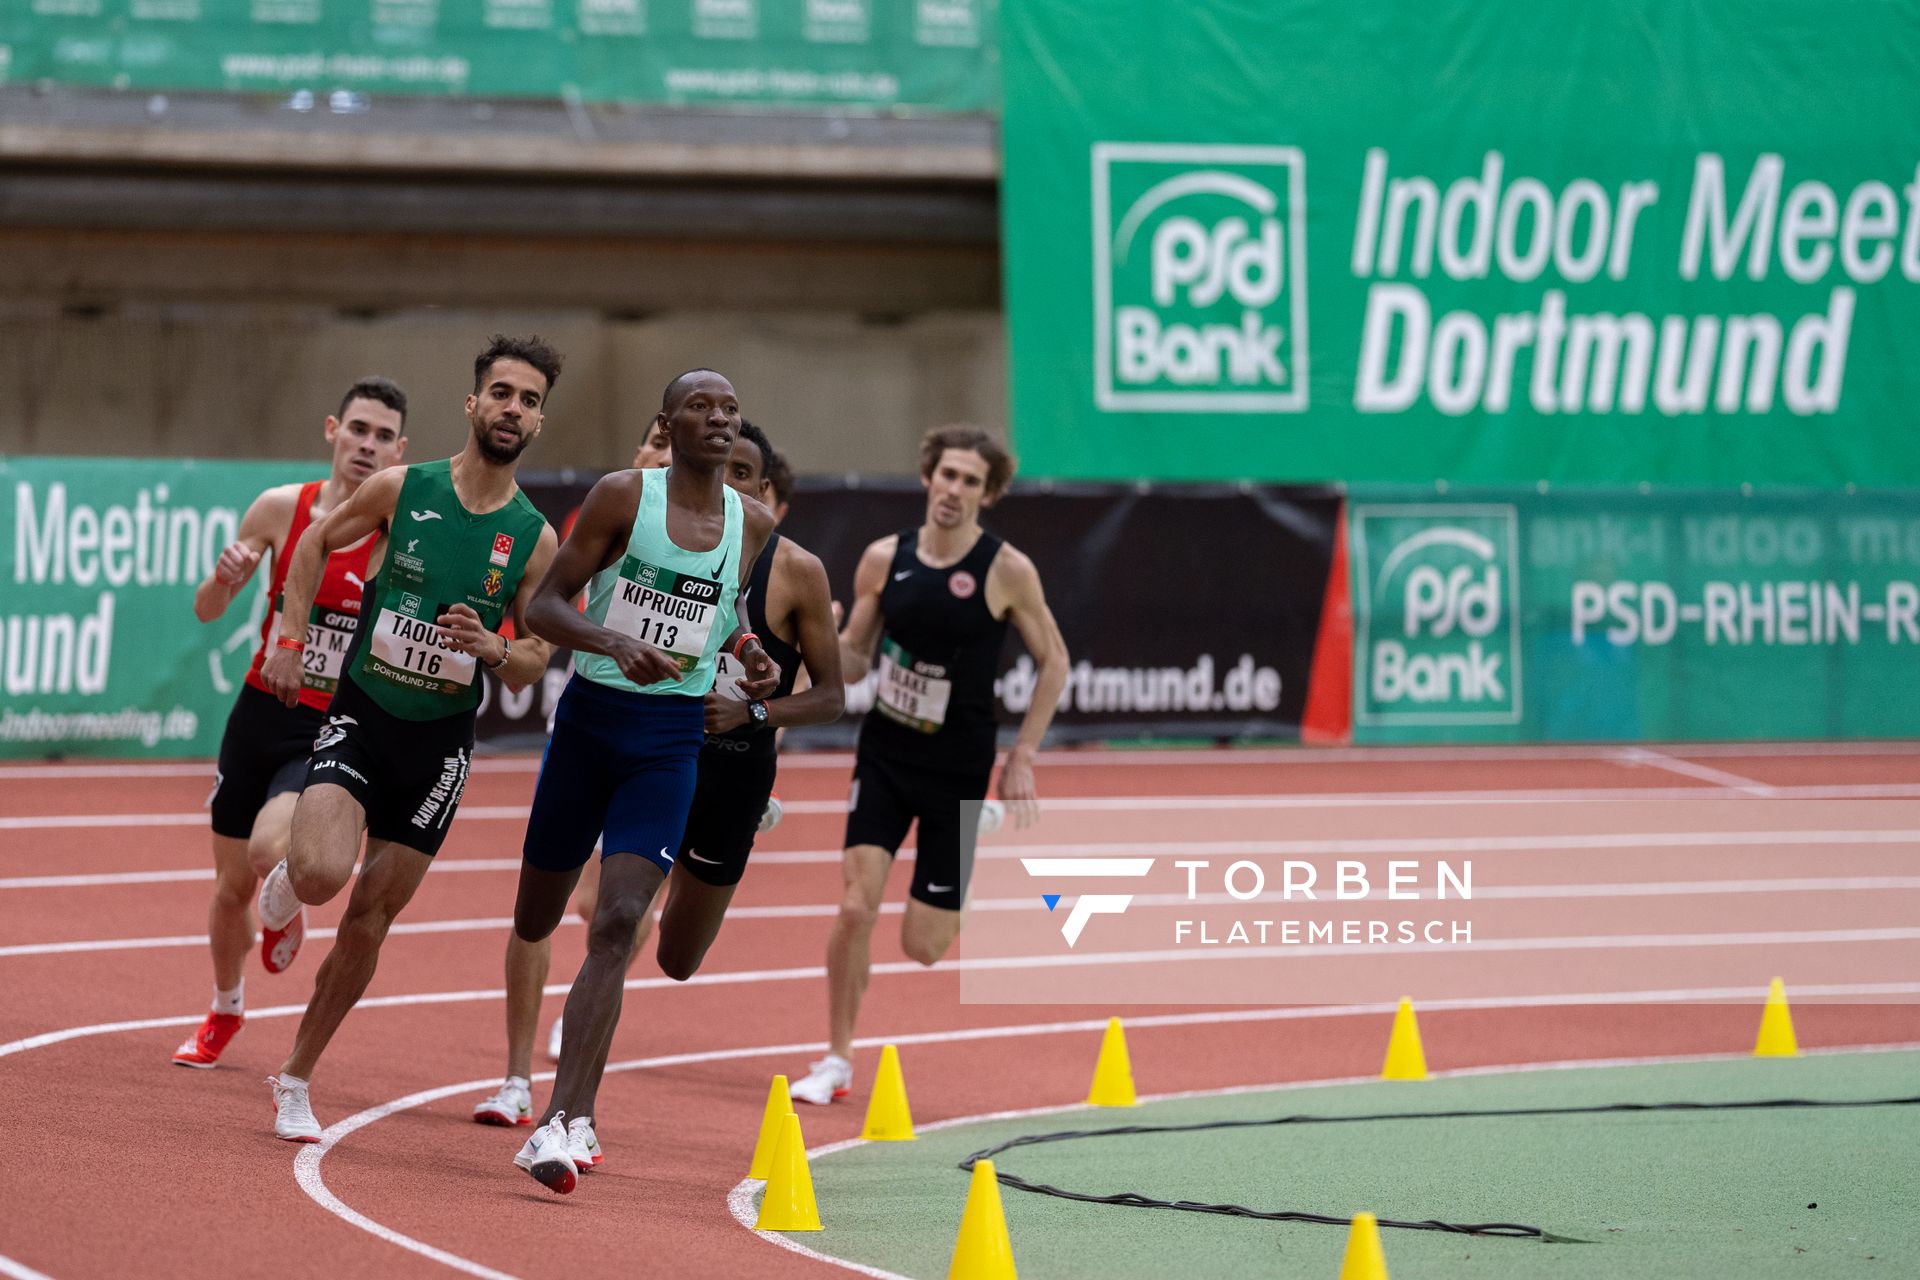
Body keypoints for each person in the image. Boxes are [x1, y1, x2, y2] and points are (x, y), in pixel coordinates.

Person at [473, 421, 843, 1155]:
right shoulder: (648, 523)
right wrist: (627, 646)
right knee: (598, 915)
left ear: (767, 498)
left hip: (731, 776)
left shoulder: (793, 568)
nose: (728, 487)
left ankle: (570, 1088)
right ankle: (569, 1102)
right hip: (656, 747)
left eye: (745, 476)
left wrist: (758, 707)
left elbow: (831, 694)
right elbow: (578, 605)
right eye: (721, 468)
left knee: (673, 956)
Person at [252, 335, 563, 1141]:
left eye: (529, 400)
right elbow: (318, 537)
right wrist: (290, 637)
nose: (513, 409)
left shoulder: (533, 537)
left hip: (440, 746)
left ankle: (295, 1078)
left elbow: (534, 661)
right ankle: (287, 885)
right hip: (363, 711)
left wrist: (492, 647)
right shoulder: (402, 487)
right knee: (320, 872)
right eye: (502, 393)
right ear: (472, 404)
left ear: (539, 420)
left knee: (370, 918)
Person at [505, 369, 782, 1194]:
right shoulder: (626, 497)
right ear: (667, 424)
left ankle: (563, 1119)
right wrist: (610, 640)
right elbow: (544, 609)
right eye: (701, 406)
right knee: (538, 915)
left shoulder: (751, 522)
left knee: (619, 922)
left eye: (731, 408)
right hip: (592, 724)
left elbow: (723, 607)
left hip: (669, 739)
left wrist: (745, 650)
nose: (720, 419)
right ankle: (565, 1107)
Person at [789, 426, 1070, 1106]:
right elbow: (856, 656)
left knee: (924, 946)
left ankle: (976, 846)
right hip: (886, 752)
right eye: (947, 475)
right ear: (927, 477)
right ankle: (836, 1057)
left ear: (989, 493)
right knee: (856, 906)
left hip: (959, 767)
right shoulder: (885, 559)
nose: (954, 490)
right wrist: (822, 638)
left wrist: (1024, 753)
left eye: (971, 481)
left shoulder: (1008, 570)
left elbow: (1054, 661)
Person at [171, 378, 408, 1068]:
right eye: (358, 429)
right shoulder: (281, 508)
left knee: (267, 849)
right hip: (256, 714)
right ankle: (225, 1008)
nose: (368, 445)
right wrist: (226, 577)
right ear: (333, 429)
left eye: (383, 436)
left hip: (326, 725)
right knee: (226, 893)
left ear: (401, 449)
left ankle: (287, 900)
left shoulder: (397, 538)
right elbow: (207, 610)